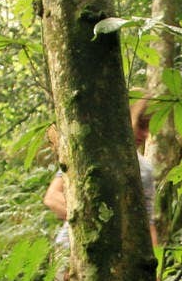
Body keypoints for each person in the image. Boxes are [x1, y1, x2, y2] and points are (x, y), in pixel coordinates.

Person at [43, 98, 160, 263]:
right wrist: (89, 219)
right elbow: (52, 197)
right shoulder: (90, 154)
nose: (145, 134)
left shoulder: (145, 171)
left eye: (148, 127)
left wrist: (154, 265)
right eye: (141, 125)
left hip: (118, 260)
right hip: (71, 252)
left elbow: (147, 223)